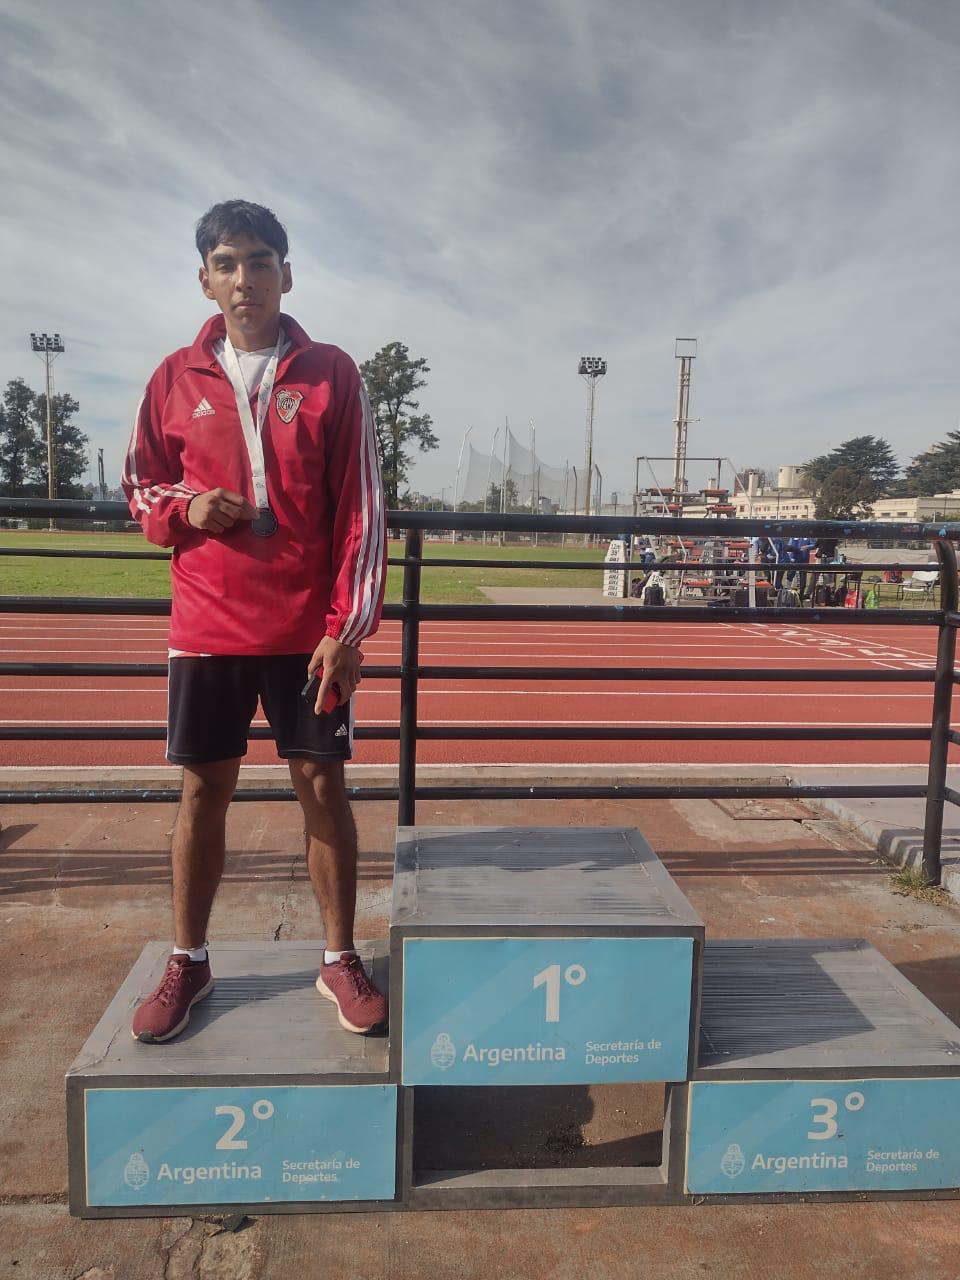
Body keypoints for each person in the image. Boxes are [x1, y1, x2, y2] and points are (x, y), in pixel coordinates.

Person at [121, 200, 387, 1043]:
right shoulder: (171, 378)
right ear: (206, 277)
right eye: (228, 263)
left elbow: (363, 511)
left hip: (309, 631)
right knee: (204, 791)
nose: (246, 279)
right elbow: (139, 489)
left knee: (323, 786)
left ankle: (338, 955)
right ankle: (189, 958)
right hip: (208, 626)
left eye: (262, 261)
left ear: (287, 274)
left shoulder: (332, 372)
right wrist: (188, 504)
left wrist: (346, 628)